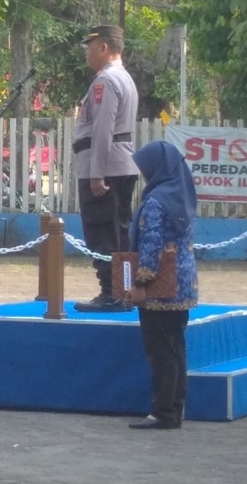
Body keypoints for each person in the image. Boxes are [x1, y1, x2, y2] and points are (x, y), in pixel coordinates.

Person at [126, 141, 199, 430]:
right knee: (176, 348)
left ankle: (163, 412)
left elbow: (152, 244)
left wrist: (140, 283)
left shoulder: (156, 201)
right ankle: (175, 409)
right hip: (183, 284)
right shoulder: (182, 196)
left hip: (159, 286)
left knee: (160, 352)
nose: (143, 174)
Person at [73, 25, 140, 313]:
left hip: (105, 166)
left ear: (103, 48)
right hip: (121, 164)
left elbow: (103, 129)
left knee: (102, 232)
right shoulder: (124, 78)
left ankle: (111, 293)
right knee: (119, 232)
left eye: (89, 47)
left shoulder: (105, 81)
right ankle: (123, 291)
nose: (86, 53)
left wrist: (96, 173)